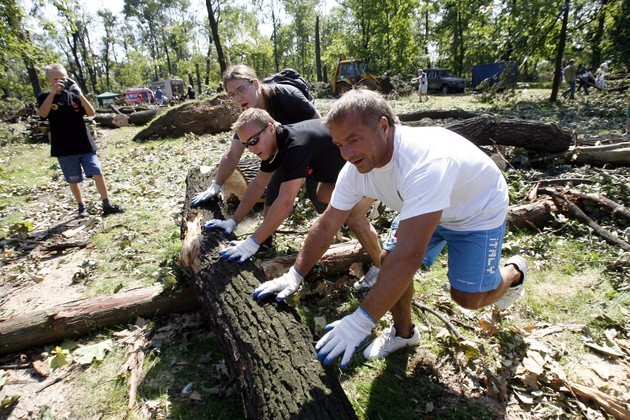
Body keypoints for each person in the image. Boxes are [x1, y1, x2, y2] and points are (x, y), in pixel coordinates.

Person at [254, 90, 528, 368]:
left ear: (383, 126)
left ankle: (514, 273)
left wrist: (361, 320)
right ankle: (404, 333)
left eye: (354, 139)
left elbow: (409, 255)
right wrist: (294, 274)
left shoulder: (423, 162)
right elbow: (327, 224)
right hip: (423, 204)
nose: (346, 154)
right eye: (338, 145)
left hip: (475, 211)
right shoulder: (355, 169)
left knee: (467, 298)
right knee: (387, 261)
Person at [203, 108, 381, 275]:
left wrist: (252, 243)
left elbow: (286, 201)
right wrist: (233, 221)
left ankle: (381, 267)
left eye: (253, 141)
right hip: (343, 173)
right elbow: (258, 185)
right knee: (323, 194)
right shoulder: (275, 145)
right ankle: (368, 201)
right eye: (246, 144)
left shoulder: (295, 145)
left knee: (353, 217)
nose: (251, 148)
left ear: (270, 128)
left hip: (367, 166)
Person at [190, 65, 320, 244]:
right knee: (272, 197)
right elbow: (233, 154)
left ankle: (342, 224)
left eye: (241, 90)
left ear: (256, 84)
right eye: (232, 94)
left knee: (320, 196)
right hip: (284, 152)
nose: (237, 98)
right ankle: (264, 243)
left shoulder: (286, 96)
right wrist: (216, 185)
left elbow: (321, 126)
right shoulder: (248, 116)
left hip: (313, 150)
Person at [37, 63, 124, 218]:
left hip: (84, 143)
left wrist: (80, 94)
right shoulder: (44, 97)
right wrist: (52, 93)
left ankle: (106, 203)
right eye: (55, 79)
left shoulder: (73, 95)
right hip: (63, 146)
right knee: (73, 179)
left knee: (97, 172)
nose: (60, 82)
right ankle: (81, 206)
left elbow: (91, 113)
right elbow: (43, 114)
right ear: (48, 80)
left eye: (62, 78)